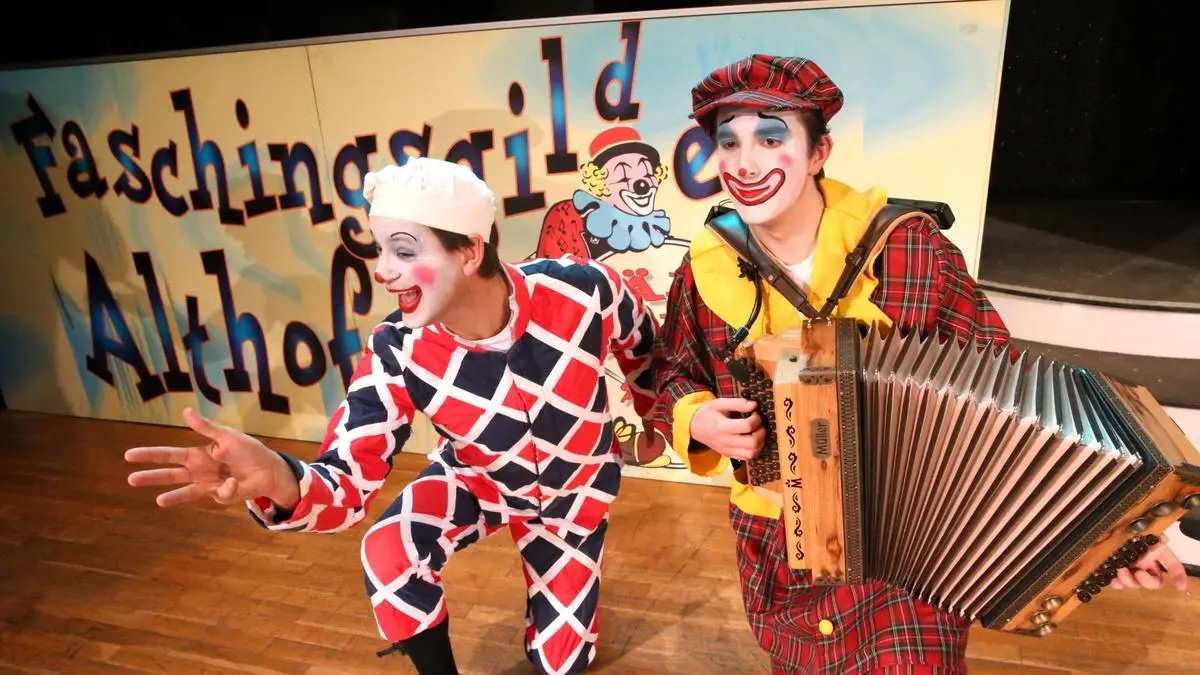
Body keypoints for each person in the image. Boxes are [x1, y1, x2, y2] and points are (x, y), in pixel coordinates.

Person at [651, 54, 1190, 674]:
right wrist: (696, 417)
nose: (744, 163)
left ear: (819, 152)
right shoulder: (707, 265)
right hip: (779, 539)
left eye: (771, 139)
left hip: (914, 551)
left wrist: (1118, 538)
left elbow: (1008, 402)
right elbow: (671, 373)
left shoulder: (908, 247)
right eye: (728, 142)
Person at [124, 157, 659, 675]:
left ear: (470, 251)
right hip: (477, 480)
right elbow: (347, 480)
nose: (382, 271)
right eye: (380, 249)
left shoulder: (581, 288)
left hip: (574, 494)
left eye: (402, 250)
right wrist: (280, 479)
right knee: (388, 551)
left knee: (561, 663)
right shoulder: (397, 348)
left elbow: (645, 346)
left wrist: (654, 419)